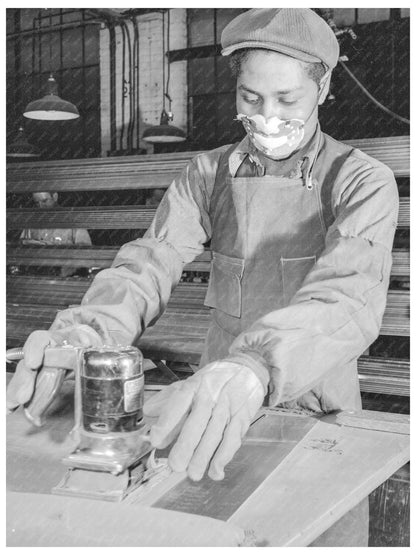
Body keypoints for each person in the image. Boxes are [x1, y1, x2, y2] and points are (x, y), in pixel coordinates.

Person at [7, 9, 398, 545]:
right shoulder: (208, 174)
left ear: (323, 86)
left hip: (317, 409)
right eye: (250, 98)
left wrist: (256, 366)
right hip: (211, 408)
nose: (268, 117)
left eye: (288, 99)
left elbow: (349, 295)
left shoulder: (359, 181)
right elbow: (150, 261)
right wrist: (88, 331)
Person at [19, 191, 92, 276]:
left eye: (44, 201)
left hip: (65, 277)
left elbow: (85, 252)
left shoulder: (72, 221)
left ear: (55, 197)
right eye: (37, 203)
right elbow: (22, 247)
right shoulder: (32, 222)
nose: (41, 207)